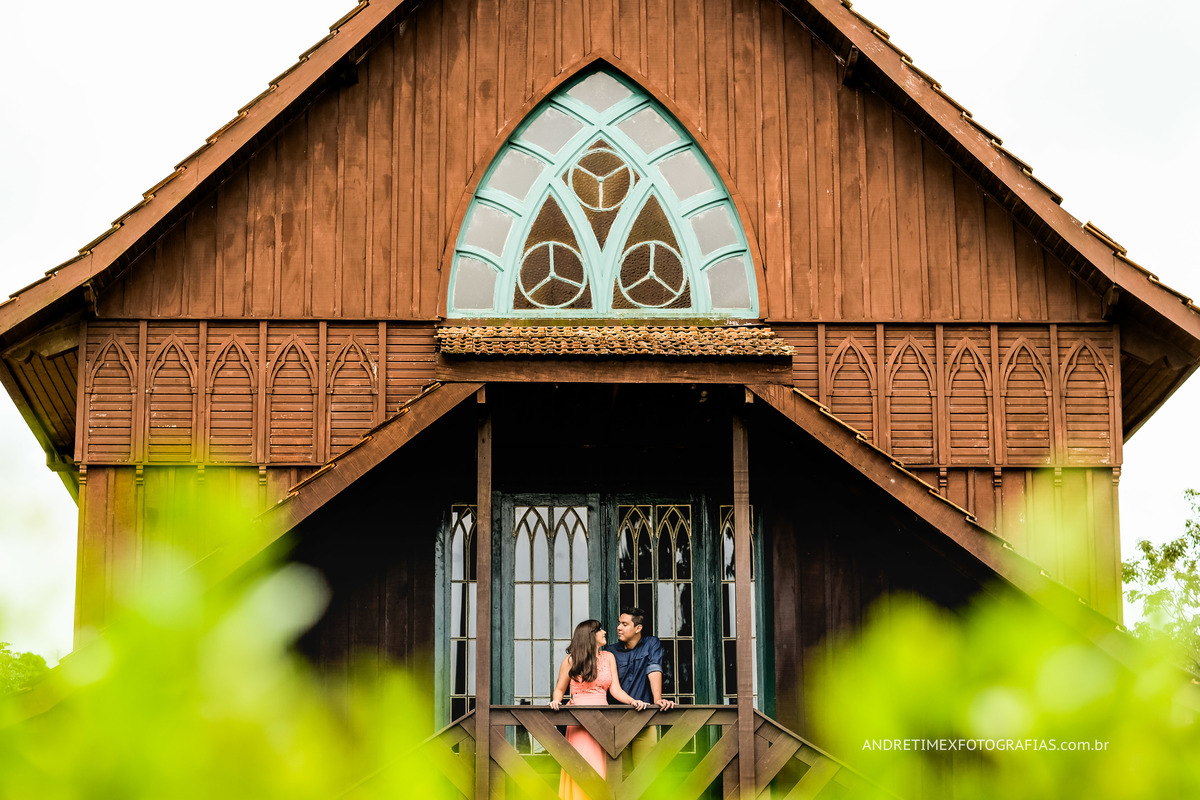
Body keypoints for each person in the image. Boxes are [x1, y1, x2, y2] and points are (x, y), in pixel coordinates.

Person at [550, 619, 647, 800]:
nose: (604, 632)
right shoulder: (571, 660)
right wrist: (556, 701)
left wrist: (633, 701)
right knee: (582, 766)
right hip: (579, 721)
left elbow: (615, 689)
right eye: (599, 630)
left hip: (603, 720)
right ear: (590, 635)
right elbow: (559, 689)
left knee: (603, 769)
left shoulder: (608, 657)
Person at [603, 607, 675, 764]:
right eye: (619, 623)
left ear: (638, 628)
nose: (619, 627)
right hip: (616, 721)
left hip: (644, 719)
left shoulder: (651, 643)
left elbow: (654, 668)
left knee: (646, 771)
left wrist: (658, 700)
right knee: (621, 773)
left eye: (624, 624)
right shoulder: (610, 651)